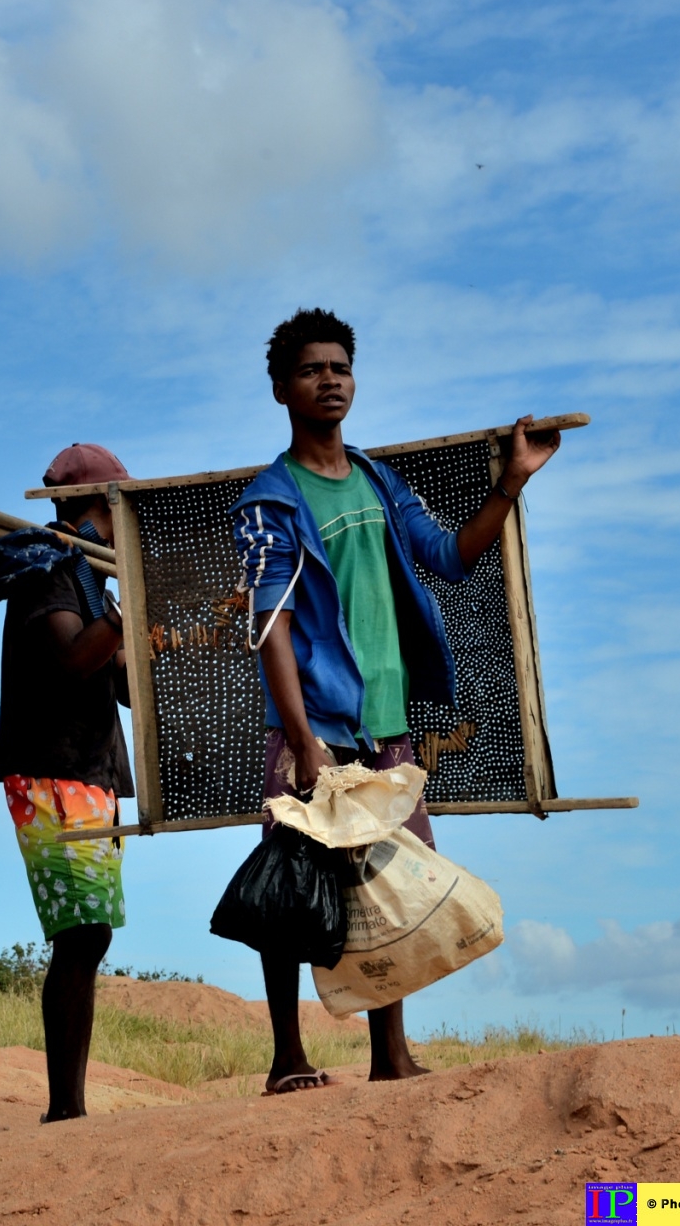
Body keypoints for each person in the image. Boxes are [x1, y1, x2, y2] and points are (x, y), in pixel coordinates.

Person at [231, 307, 560, 1093]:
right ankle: (288, 1057)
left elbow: (449, 557)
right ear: (282, 389)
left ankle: (390, 1055)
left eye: (340, 367)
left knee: (394, 884)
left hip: (387, 723)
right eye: (312, 370)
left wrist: (510, 483)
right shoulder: (269, 500)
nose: (330, 381)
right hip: (313, 724)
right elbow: (270, 627)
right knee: (292, 884)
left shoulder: (380, 479)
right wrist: (303, 739)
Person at [0, 443, 132, 1122]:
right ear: (96, 505)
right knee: (81, 931)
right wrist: (125, 623)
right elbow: (74, 658)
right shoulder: (48, 567)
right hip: (51, 768)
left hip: (90, 769)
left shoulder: (94, 574)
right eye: (116, 506)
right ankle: (65, 1109)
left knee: (89, 932)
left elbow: (119, 684)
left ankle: (68, 1105)